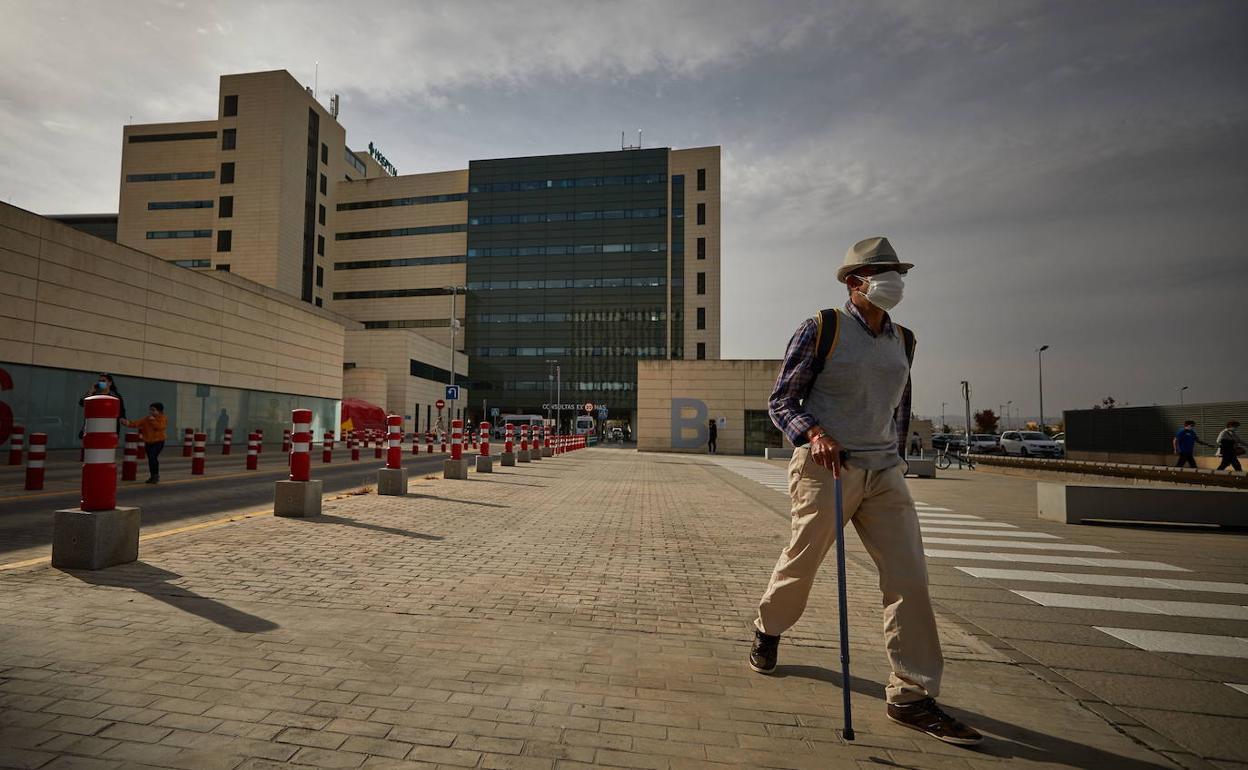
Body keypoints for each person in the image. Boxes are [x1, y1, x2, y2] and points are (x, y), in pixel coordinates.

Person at [752, 236, 981, 746]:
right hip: (825, 466)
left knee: (910, 578)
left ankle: (913, 695)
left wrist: (896, 458)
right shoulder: (821, 328)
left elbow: (899, 405)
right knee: (802, 561)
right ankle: (768, 629)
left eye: (898, 272)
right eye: (883, 272)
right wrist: (814, 433)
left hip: (883, 472)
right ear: (855, 282)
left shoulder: (905, 339)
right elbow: (782, 400)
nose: (894, 281)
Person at [123, 402, 168, 483]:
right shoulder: (147, 419)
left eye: (153, 410)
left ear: (160, 411)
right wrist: (127, 423)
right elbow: (137, 423)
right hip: (148, 442)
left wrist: (153, 421)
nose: (151, 412)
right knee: (151, 459)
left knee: (152, 457)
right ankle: (152, 476)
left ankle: (155, 476)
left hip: (158, 442)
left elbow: (161, 427)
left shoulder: (162, 418)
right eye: (150, 410)